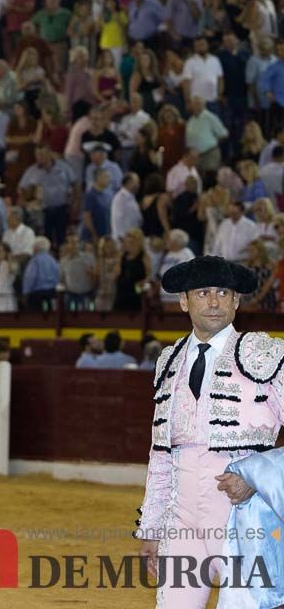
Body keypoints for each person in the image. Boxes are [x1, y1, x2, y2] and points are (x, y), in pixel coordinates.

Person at [137, 256, 284, 607]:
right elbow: (161, 455)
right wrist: (152, 530)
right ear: (184, 301)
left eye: (223, 292)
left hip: (245, 514)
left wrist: (258, 475)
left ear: (236, 301)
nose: (214, 301)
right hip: (183, 516)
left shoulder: (265, 354)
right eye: (203, 293)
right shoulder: (169, 361)